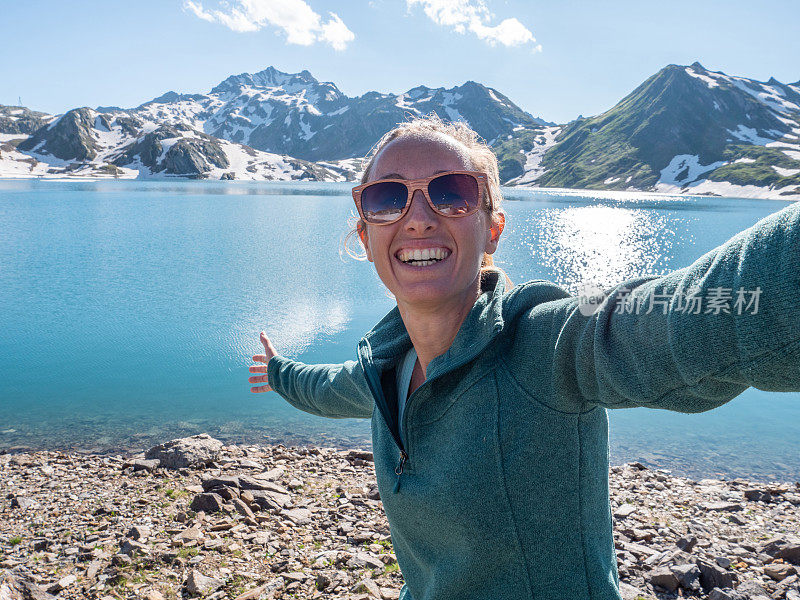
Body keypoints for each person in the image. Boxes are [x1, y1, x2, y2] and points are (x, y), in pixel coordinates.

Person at [248, 114, 800, 600]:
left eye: (452, 192)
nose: (417, 219)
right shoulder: (383, 370)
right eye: (388, 198)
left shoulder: (543, 344)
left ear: (491, 229)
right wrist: (275, 371)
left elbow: (683, 315)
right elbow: (322, 387)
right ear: (366, 233)